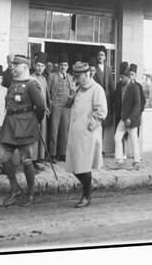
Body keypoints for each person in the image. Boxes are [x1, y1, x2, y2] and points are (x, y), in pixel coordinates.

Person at [0, 55, 46, 207]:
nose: (12, 68)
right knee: (3, 158)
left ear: (25, 67)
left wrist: (33, 122)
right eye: (12, 65)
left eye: (16, 65)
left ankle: (30, 194)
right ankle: (15, 189)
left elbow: (40, 107)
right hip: (10, 125)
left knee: (26, 160)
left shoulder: (32, 84)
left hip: (24, 126)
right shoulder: (13, 83)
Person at [66, 61, 107, 208]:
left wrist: (90, 124)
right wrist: (71, 94)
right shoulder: (79, 89)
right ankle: (88, 188)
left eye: (79, 76)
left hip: (87, 134)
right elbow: (68, 105)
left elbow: (102, 111)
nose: (76, 79)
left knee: (83, 165)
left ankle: (86, 196)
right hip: (75, 134)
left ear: (87, 74)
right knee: (74, 165)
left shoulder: (96, 89)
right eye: (75, 76)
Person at [113, 62, 142, 169]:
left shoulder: (135, 87)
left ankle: (137, 161)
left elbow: (137, 105)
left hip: (132, 120)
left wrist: (130, 118)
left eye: (122, 77)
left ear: (127, 76)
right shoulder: (121, 87)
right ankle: (119, 160)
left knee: (134, 140)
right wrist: (123, 117)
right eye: (120, 77)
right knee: (117, 137)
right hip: (123, 118)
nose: (120, 79)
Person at [47, 52, 75, 162]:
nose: (63, 67)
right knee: (54, 131)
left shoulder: (70, 77)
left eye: (65, 65)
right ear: (58, 66)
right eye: (62, 65)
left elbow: (73, 91)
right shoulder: (52, 76)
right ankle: (52, 154)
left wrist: (71, 99)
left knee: (65, 131)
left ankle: (63, 153)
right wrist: (50, 104)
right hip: (55, 107)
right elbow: (47, 93)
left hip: (66, 108)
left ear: (68, 67)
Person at [30, 52, 51, 171]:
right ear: (34, 66)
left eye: (42, 66)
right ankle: (32, 159)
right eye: (38, 65)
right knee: (35, 134)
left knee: (43, 133)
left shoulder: (44, 78)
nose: (40, 68)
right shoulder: (31, 78)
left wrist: (47, 107)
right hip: (33, 111)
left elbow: (44, 95)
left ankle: (40, 157)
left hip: (42, 110)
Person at [93, 47, 115, 143]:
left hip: (106, 99)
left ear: (105, 57)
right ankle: (97, 146)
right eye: (99, 55)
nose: (100, 57)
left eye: (102, 55)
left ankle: (102, 145)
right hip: (97, 99)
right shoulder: (94, 68)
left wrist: (113, 100)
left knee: (104, 123)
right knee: (97, 123)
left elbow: (111, 84)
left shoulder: (108, 69)